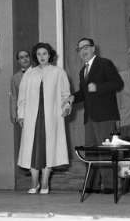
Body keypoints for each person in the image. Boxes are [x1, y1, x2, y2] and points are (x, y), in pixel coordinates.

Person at [66, 37, 123, 193]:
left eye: (85, 47)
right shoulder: (82, 71)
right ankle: (93, 185)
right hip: (89, 117)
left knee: (105, 151)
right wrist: (73, 97)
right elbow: (84, 93)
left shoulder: (105, 63)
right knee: (91, 151)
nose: (82, 51)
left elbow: (117, 83)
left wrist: (97, 87)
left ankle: (110, 185)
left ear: (93, 48)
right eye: (79, 49)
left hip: (105, 115)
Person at [17, 42, 71, 194]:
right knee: (32, 151)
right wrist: (21, 115)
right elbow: (22, 98)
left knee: (49, 150)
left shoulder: (59, 72)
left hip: (51, 117)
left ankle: (45, 183)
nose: (42, 57)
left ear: (49, 55)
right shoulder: (29, 74)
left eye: (44, 53)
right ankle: (34, 183)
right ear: (35, 56)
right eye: (39, 54)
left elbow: (66, 95)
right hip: (32, 118)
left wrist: (66, 107)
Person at [10, 50, 31, 124]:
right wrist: (14, 114)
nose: (25, 59)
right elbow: (14, 97)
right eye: (22, 57)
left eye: (26, 56)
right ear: (18, 61)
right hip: (23, 113)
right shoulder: (15, 78)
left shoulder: (38, 73)